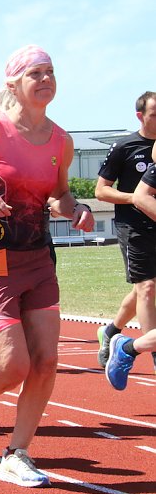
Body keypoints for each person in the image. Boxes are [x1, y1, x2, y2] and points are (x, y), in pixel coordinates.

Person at [0, 44, 95, 487]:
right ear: (15, 84)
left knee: (46, 363)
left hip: (38, 258)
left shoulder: (62, 141)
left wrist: (76, 208)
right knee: (13, 365)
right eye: (36, 73)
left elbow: (60, 194)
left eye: (50, 72)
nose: (45, 79)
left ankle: (16, 454)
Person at [94, 91, 156, 373]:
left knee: (144, 288)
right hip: (133, 225)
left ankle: (112, 331)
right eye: (155, 114)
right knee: (147, 287)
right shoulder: (124, 146)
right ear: (140, 116)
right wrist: (135, 198)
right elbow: (101, 191)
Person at [110, 157, 156, 387]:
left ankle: (128, 349)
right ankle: (127, 349)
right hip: (136, 229)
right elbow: (140, 196)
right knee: (145, 287)